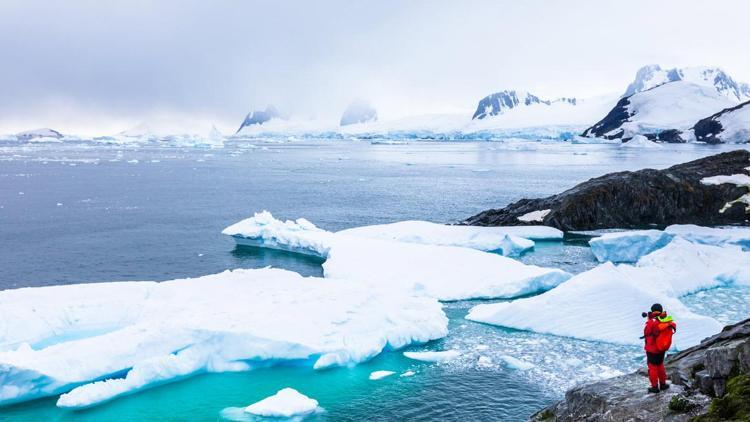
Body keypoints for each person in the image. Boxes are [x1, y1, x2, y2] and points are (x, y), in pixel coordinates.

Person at [643, 303, 677, 393]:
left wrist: (649, 320)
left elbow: (646, 332)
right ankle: (663, 384)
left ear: (652, 311)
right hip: (662, 348)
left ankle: (654, 387)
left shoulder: (652, 322)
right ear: (661, 311)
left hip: (652, 349)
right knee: (660, 365)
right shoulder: (665, 320)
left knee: (652, 367)